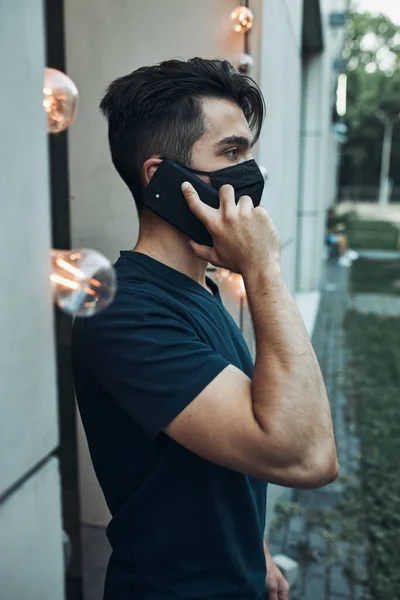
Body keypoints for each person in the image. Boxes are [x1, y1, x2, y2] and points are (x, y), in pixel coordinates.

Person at [72, 58, 338, 600]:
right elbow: (305, 455)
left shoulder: (203, 287)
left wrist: (255, 552)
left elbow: (230, 437)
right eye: (232, 152)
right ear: (162, 178)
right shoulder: (123, 312)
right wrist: (265, 271)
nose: (250, 173)